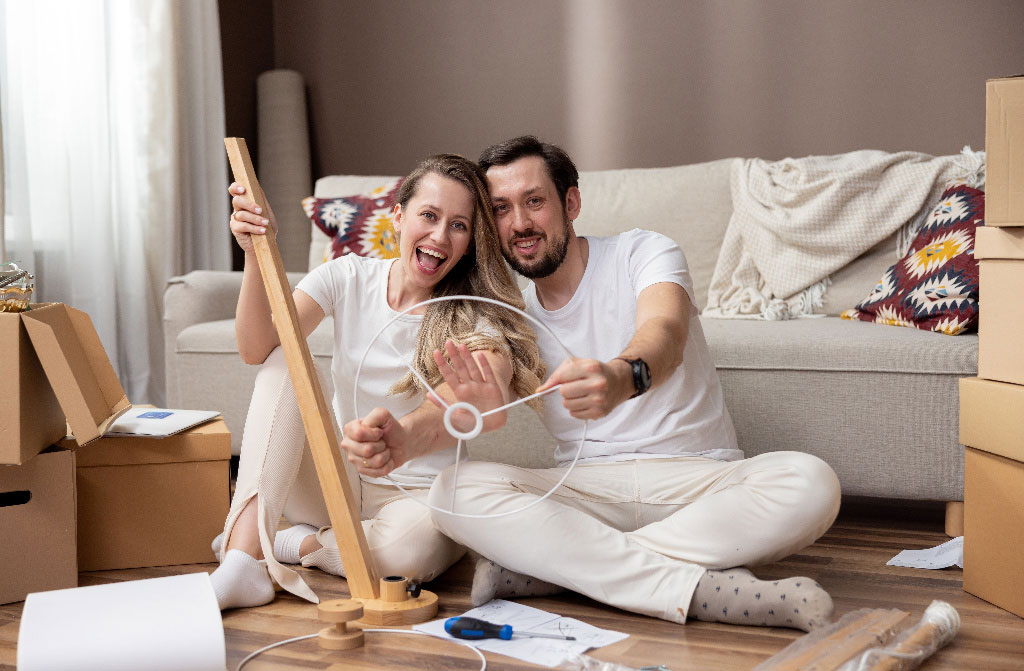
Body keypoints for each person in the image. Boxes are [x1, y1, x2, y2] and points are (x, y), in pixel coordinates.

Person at [357, 136, 842, 631]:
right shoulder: (511, 315)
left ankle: (560, 572)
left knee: (810, 482)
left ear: (571, 202)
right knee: (452, 491)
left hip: (697, 478)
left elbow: (666, 334)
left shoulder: (643, 251)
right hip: (587, 493)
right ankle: (700, 589)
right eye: (501, 209)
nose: (520, 223)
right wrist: (407, 437)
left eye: (534, 201)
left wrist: (622, 376)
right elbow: (468, 400)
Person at [209, 153, 545, 610]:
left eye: (459, 226)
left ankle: (298, 547)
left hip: (416, 500)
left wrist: (482, 393)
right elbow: (256, 347)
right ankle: (242, 562)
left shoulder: (474, 312)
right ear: (399, 216)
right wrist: (254, 254)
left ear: (470, 242)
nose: (439, 236)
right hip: (335, 478)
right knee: (282, 357)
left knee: (410, 551)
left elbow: (489, 379)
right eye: (429, 216)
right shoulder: (348, 275)